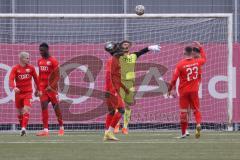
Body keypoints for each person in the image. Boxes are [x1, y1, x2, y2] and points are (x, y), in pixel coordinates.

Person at [114, 40, 160, 134]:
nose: (126, 46)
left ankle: (125, 127)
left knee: (128, 106)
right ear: (121, 46)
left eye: (127, 44)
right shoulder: (118, 56)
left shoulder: (133, 55)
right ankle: (116, 125)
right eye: (124, 44)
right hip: (120, 83)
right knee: (118, 105)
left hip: (130, 84)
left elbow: (141, 52)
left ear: (130, 46)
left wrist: (149, 48)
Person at [168, 41, 206, 139]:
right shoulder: (198, 62)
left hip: (184, 91)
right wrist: (201, 47)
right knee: (196, 109)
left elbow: (173, 79)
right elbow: (204, 59)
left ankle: (184, 133)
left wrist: (170, 89)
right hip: (194, 90)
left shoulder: (180, 64)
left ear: (184, 53)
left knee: (183, 112)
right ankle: (198, 124)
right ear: (192, 53)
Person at [36, 43, 64, 136]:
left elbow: (57, 76)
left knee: (56, 108)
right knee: (43, 107)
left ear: (47, 50)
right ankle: (45, 130)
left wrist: (51, 86)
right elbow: (40, 75)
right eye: (40, 50)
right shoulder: (39, 61)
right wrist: (37, 87)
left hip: (52, 89)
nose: (40, 52)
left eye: (42, 50)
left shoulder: (53, 61)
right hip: (43, 89)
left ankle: (61, 128)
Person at [103, 42, 129, 141]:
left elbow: (116, 78)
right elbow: (110, 77)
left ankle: (106, 133)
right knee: (121, 110)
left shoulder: (115, 60)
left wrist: (124, 88)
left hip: (109, 89)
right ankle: (110, 132)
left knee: (111, 112)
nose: (123, 51)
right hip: (112, 89)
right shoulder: (113, 61)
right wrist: (113, 90)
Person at [9, 51, 39, 136]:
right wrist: (14, 87)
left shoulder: (31, 68)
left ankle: (23, 128)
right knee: (19, 112)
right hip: (18, 93)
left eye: (29, 58)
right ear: (22, 59)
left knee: (26, 110)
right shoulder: (15, 68)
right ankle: (23, 128)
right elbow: (11, 79)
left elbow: (36, 79)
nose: (29, 59)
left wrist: (39, 89)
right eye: (27, 58)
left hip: (28, 92)